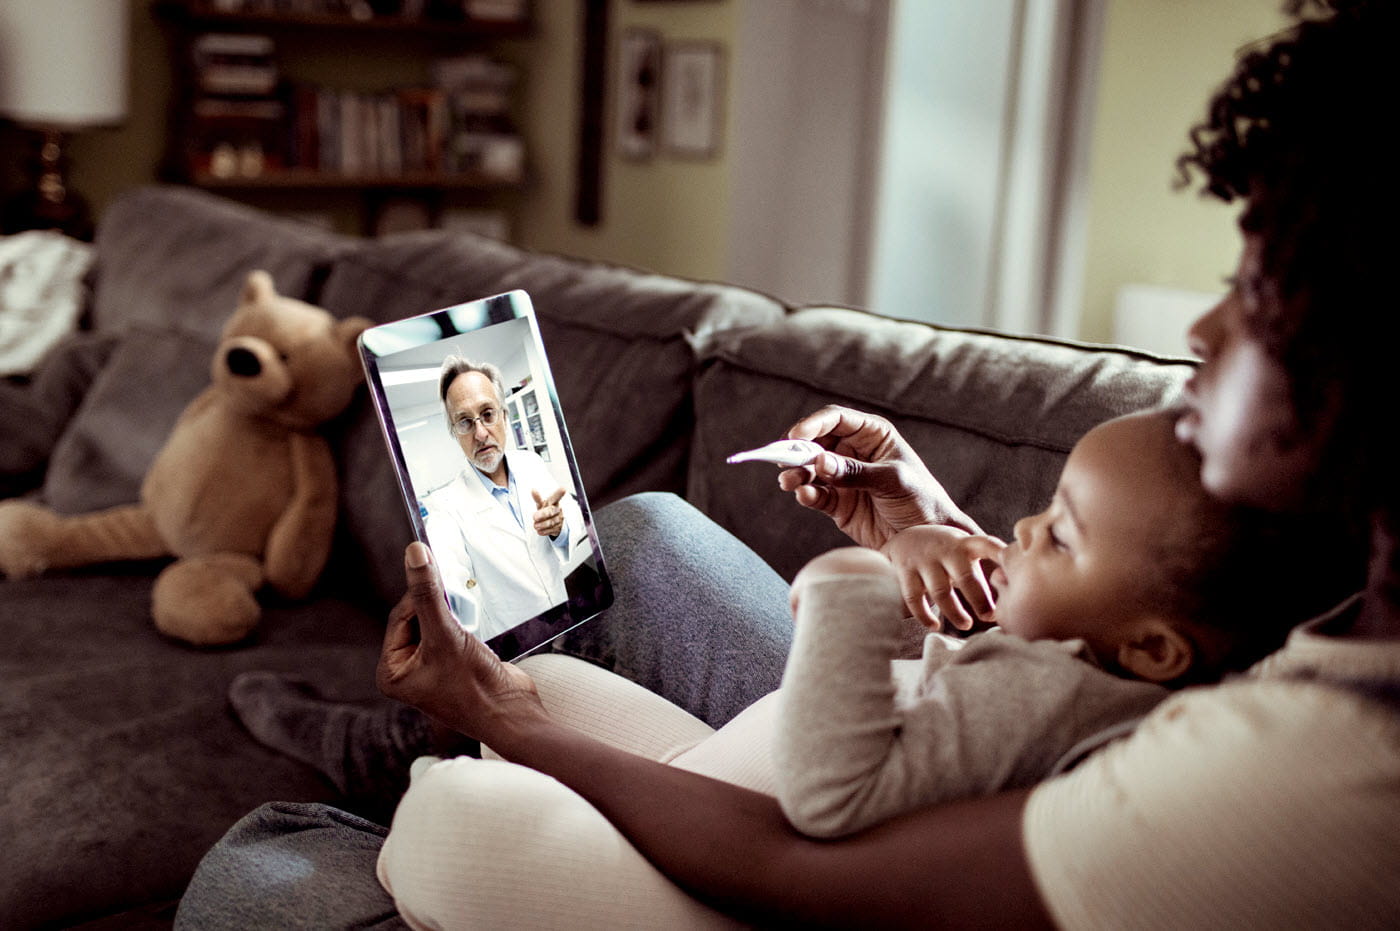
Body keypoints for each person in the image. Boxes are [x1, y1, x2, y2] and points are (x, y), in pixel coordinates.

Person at [176, 1, 1400, 926]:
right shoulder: (1328, 591)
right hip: (898, 766)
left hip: (825, 856)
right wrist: (927, 526)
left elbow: (806, 864)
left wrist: (516, 726)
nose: (1201, 335)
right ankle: (444, 743)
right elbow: (1109, 667)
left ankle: (426, 761)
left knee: (263, 867)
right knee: (645, 535)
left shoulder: (1317, 780)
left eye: (1261, 290)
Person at [368, 407, 1365, 929]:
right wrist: (933, 534)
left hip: (761, 869)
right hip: (731, 767)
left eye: (1055, 531)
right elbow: (1021, 672)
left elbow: (824, 808)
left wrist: (856, 580)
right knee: (571, 660)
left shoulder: (1259, 777)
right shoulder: (1123, 666)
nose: (1021, 526)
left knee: (447, 817)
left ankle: (392, 804)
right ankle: (442, 764)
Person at [421, 355, 586, 640]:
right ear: (454, 433)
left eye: (487, 414)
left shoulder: (531, 463)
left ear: (505, 416)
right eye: (464, 422)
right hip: (519, 647)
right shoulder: (444, 507)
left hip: (568, 615)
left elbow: (574, 518)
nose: (481, 433)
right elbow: (451, 583)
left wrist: (559, 528)